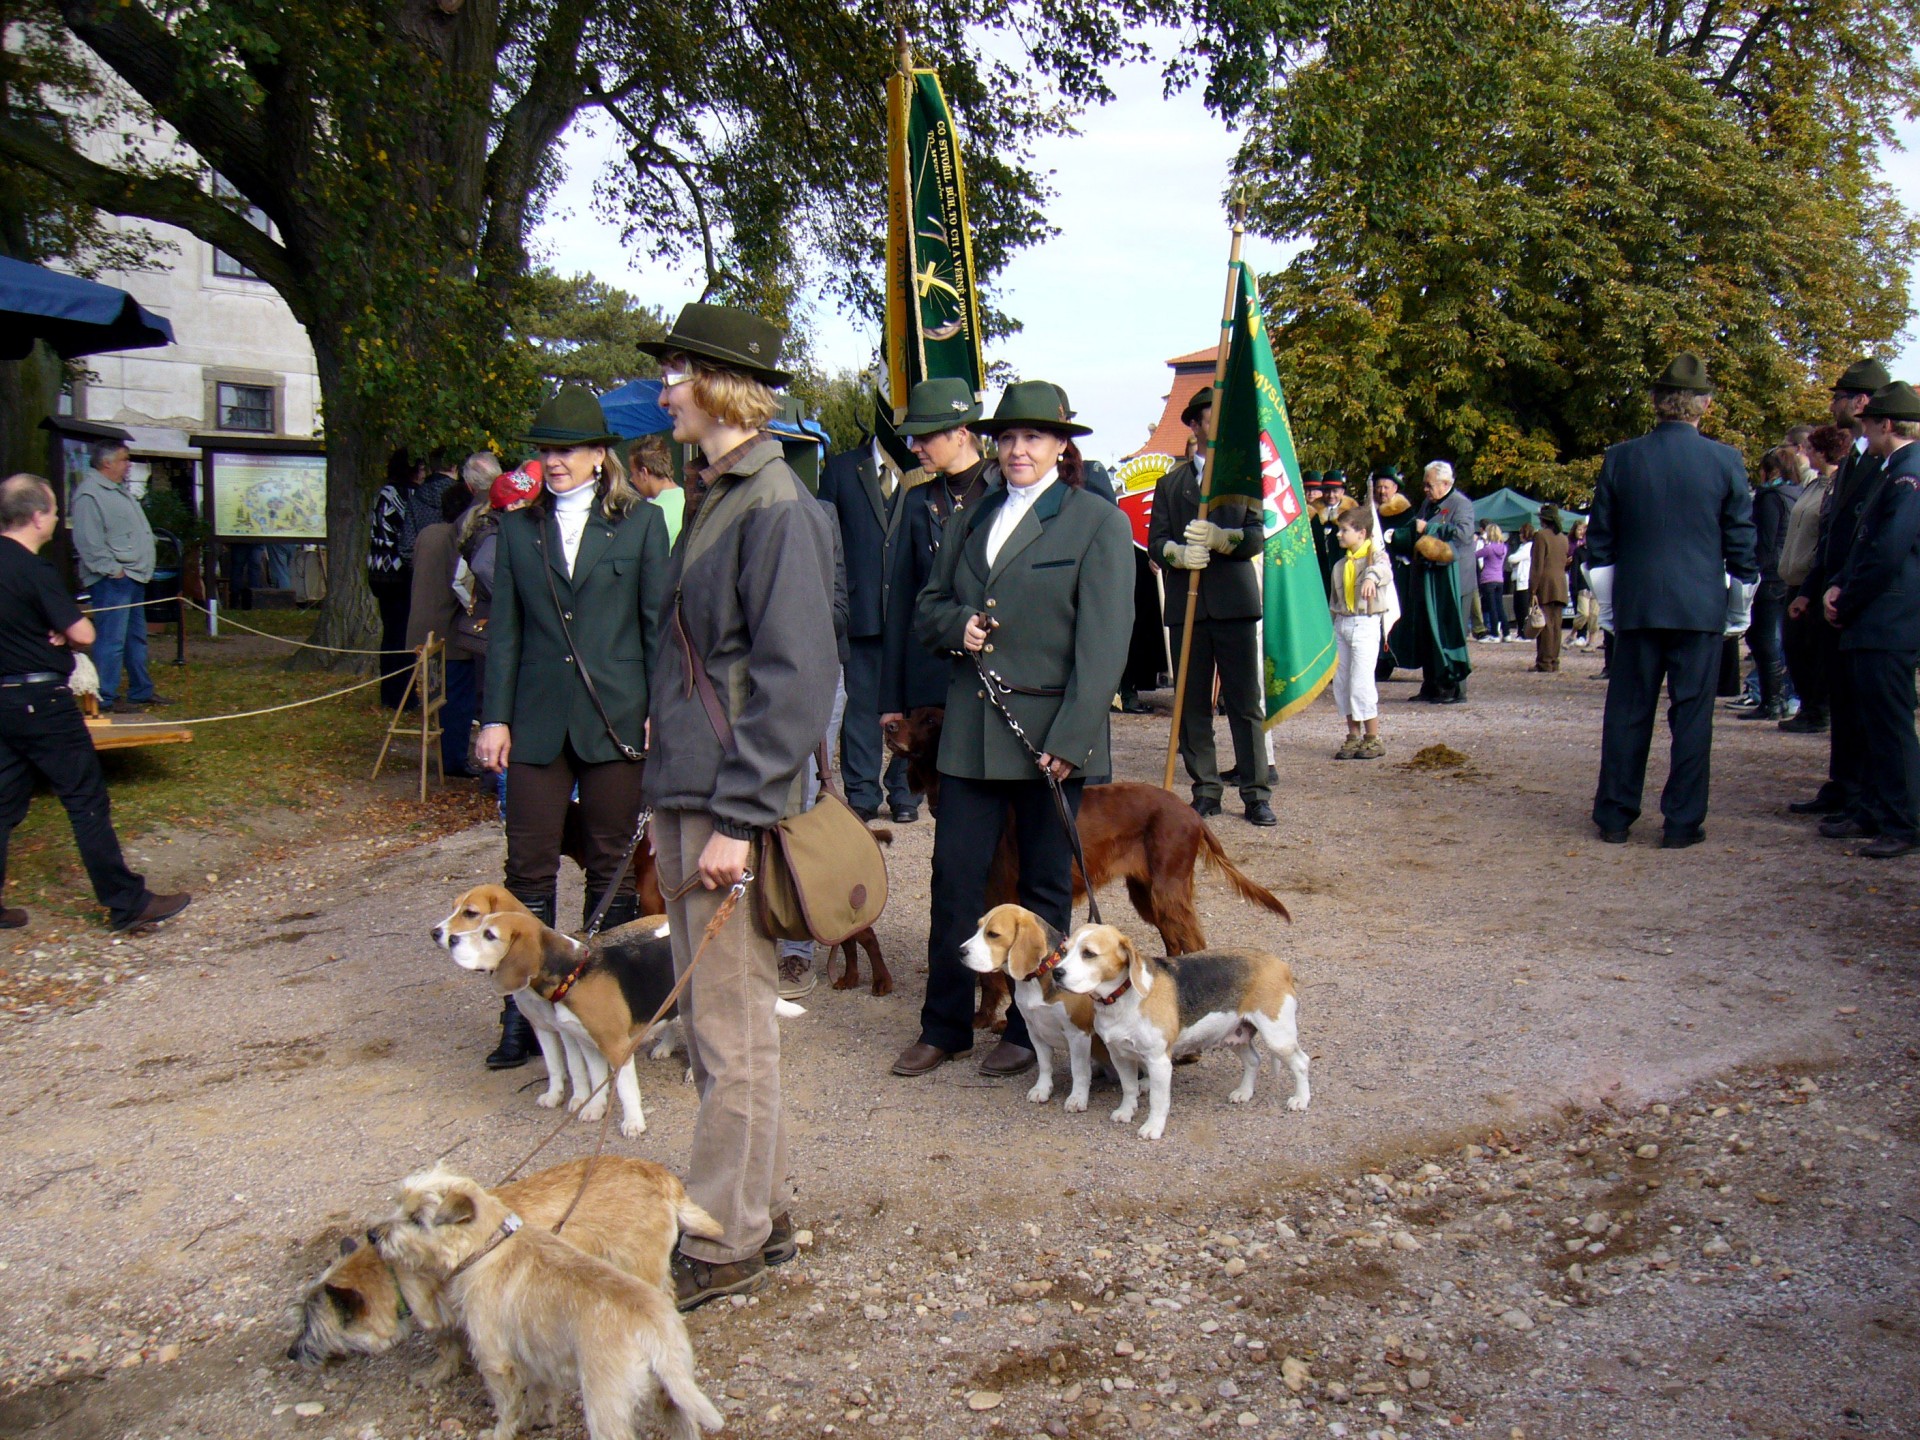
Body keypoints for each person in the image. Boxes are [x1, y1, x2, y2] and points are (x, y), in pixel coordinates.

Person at [636, 305, 837, 1310]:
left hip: (727, 801)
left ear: (718, 385)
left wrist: (739, 815)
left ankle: (724, 1242)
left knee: (729, 1027)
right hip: (692, 788)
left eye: (674, 369)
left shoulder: (778, 505)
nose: (663, 386)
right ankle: (764, 1210)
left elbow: (796, 681)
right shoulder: (717, 491)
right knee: (726, 1021)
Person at [896, 380, 1132, 1082]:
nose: (1019, 449)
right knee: (954, 880)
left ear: (1062, 446)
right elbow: (929, 604)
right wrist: (955, 627)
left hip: (1051, 737)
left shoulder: (1096, 521)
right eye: (1008, 437)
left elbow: (1105, 639)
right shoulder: (973, 515)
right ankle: (944, 1024)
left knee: (1043, 890)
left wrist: (1076, 731)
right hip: (973, 729)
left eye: (1033, 437)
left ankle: (1034, 1034)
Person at [473, 388, 670, 1067]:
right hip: (536, 717)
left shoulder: (641, 524)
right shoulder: (517, 528)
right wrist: (495, 716)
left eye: (567, 450)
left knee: (611, 869)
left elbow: (656, 627)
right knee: (526, 869)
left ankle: (604, 1007)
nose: (553, 462)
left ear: (598, 455)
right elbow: (505, 632)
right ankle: (519, 1013)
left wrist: (656, 707)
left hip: (615, 715)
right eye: (546, 450)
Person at [0, 474, 189, 932]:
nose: (57, 519)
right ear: (38, 515)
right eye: (54, 510)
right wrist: (63, 629)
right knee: (86, 799)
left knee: (3, 802)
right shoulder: (32, 569)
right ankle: (126, 901)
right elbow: (84, 633)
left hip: (2, 699)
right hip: (42, 699)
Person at [1588, 352, 1758, 848]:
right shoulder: (1726, 460)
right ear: (1703, 405)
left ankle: (1615, 815)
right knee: (1692, 717)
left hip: (1640, 602)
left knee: (1627, 713)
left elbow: (1600, 542)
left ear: (1658, 402)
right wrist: (1738, 605)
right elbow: (1742, 544)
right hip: (1699, 605)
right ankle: (1682, 821)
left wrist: (1612, 607)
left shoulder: (1622, 457)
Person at [1146, 385, 1275, 825]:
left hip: (1235, 604)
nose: (1214, 426)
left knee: (1245, 703)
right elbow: (1154, 543)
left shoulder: (1243, 480)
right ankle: (1206, 788)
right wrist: (1175, 555)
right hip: (1188, 604)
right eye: (1208, 418)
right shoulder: (1171, 484)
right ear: (1195, 425)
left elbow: (1257, 534)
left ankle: (1257, 792)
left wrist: (1227, 539)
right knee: (1191, 705)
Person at [1820, 382, 1920, 857]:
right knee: (1872, 723)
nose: (1863, 431)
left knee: (1890, 725)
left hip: (1889, 617)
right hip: (1880, 616)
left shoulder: (1908, 474)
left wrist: (1847, 596)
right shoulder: (1895, 470)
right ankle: (1876, 810)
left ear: (1886, 424)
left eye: (1868, 423)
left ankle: (1902, 822)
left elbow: (1888, 551)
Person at [1789, 359, 1891, 819]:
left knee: (1863, 708)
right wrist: (1813, 587)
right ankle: (1843, 786)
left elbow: (1869, 541)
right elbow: (1832, 536)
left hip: (1860, 602)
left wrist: (1843, 591)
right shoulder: (1857, 460)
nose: (1833, 405)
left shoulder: (1885, 466)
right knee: (1844, 701)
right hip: (1833, 594)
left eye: (1839, 397)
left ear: (1861, 401)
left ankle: (1862, 795)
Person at [880, 377, 996, 743]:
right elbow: (901, 602)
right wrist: (892, 699)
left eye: (925, 437)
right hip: (930, 679)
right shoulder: (916, 500)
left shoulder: (1006, 491)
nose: (915, 447)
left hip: (993, 673)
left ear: (961, 434)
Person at [817, 429, 915, 824]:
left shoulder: (922, 470)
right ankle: (862, 792)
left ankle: (906, 791)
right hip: (860, 614)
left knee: (912, 709)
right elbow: (826, 539)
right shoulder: (840, 469)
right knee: (860, 710)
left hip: (911, 615)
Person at [70, 440, 166, 715]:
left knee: (135, 637)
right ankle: (105, 697)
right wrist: (113, 570)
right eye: (124, 459)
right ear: (107, 462)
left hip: (132, 575)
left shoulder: (116, 491)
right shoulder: (91, 494)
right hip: (113, 579)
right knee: (111, 639)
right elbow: (89, 541)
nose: (128, 465)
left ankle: (140, 690)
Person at [405, 482, 483, 778]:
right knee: (456, 702)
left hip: (420, 627)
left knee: (432, 698)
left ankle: (441, 757)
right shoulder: (458, 537)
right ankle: (451, 760)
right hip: (450, 633)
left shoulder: (427, 534)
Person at [1778, 424, 1852, 734]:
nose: (1804, 455)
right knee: (1796, 648)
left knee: (1809, 649)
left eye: (1809, 450)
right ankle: (1811, 706)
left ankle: (1816, 709)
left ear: (1821, 452)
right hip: (1795, 577)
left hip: (1812, 578)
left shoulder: (1836, 488)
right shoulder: (1813, 486)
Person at [1385, 461, 1474, 702]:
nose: (1425, 489)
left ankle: (1454, 690)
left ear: (1446, 484)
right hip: (1430, 580)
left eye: (1429, 485)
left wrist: (1431, 528)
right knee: (1429, 633)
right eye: (1424, 484)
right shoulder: (1428, 503)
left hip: (1454, 581)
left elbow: (1464, 534)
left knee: (1449, 633)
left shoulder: (1460, 504)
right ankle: (1431, 686)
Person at [1736, 446, 1807, 721]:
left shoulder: (1770, 498)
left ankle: (1771, 699)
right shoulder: (1796, 494)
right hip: (1785, 572)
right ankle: (1776, 696)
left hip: (1769, 574)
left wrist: (1753, 572)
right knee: (1771, 636)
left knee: (1762, 637)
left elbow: (1765, 540)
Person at [1327, 503, 1396, 758]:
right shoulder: (1339, 566)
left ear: (1362, 533)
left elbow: (1383, 570)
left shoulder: (1375, 557)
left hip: (1365, 623)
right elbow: (1334, 602)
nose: (1339, 534)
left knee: (1361, 682)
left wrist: (1370, 577)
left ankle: (1373, 736)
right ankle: (1353, 735)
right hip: (1342, 623)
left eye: (1344, 530)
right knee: (1343, 682)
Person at [368, 447, 418, 710]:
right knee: (403, 636)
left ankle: (389, 691)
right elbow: (406, 536)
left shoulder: (382, 494)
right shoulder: (406, 496)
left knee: (391, 634)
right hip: (399, 573)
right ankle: (403, 695)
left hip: (379, 571)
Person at [1374, 470, 1417, 677]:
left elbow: (1411, 541)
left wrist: (1397, 539)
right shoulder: (1372, 513)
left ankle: (1391, 657)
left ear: (1395, 489)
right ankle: (1379, 660)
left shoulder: (1407, 514)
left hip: (1398, 574)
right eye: (1379, 487)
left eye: (1386, 487)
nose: (1382, 491)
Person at [1528, 505, 1571, 672]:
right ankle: (1554, 660)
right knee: (1556, 625)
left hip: (1545, 584)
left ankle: (1544, 662)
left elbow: (1537, 565)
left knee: (1544, 625)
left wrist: (1533, 588)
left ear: (1543, 519)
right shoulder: (1563, 538)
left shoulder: (1541, 536)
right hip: (1560, 584)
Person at [626, 435, 685, 544]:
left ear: (644, 473)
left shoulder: (649, 515)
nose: (631, 480)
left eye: (633, 474)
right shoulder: (689, 500)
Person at [1476, 523, 1509, 642]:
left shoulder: (1489, 549)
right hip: (1499, 579)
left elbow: (1476, 555)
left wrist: (1483, 542)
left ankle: (1494, 634)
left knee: (1492, 608)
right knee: (1500, 606)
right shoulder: (1504, 548)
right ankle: (1506, 633)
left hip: (1488, 579)